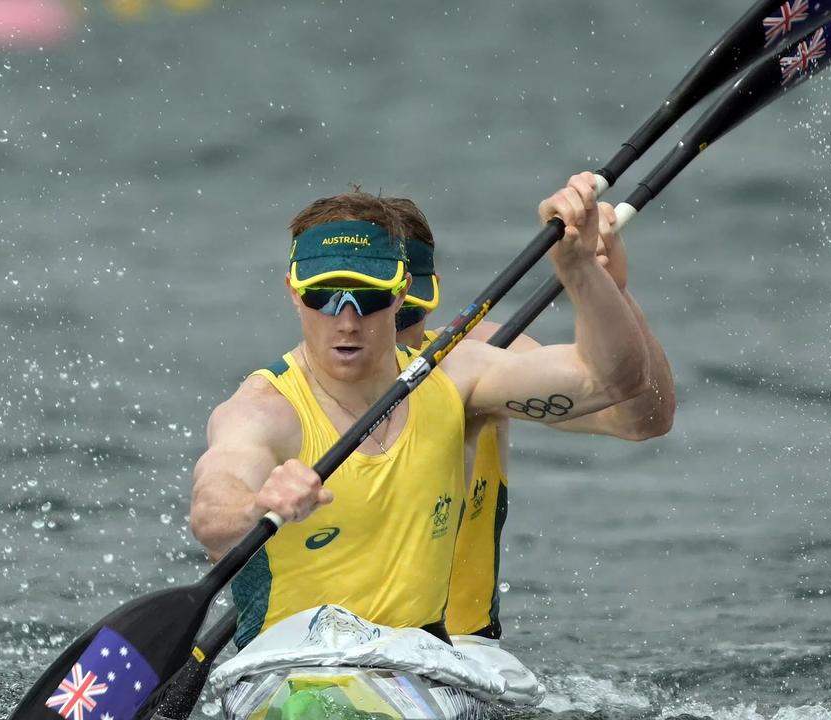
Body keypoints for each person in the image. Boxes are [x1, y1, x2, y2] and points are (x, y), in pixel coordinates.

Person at [189, 172, 651, 651]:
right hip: (289, 672)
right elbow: (210, 509)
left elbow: (616, 382)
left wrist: (580, 270)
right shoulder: (264, 411)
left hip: (422, 662)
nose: (346, 320)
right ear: (293, 290)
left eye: (368, 296)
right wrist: (256, 506)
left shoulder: (456, 378)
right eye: (323, 295)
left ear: (402, 291)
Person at [386, 196, 675, 642]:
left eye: (404, 310)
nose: (381, 330)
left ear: (424, 296)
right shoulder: (284, 395)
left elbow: (641, 419)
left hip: (456, 651)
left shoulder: (481, 357)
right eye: (355, 304)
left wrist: (608, 291)